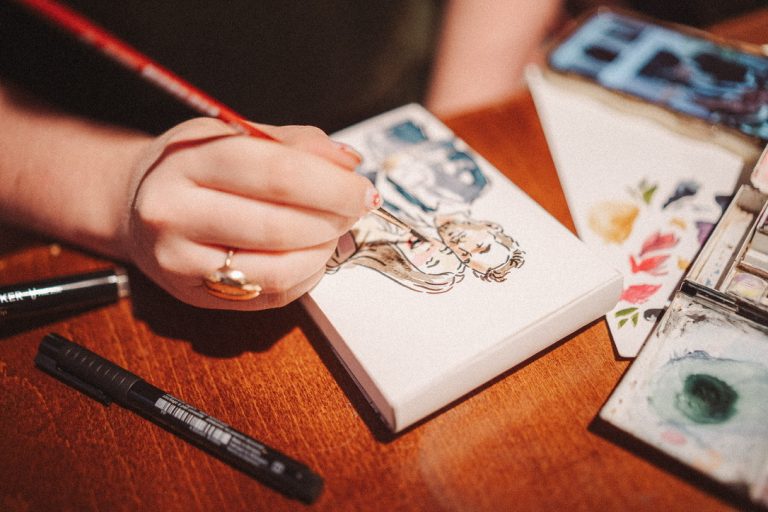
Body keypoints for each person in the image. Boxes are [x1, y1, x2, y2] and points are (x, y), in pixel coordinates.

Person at [0, 0, 561, 311]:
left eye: (471, 254)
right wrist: (118, 187)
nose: (456, 249)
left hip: (419, 92)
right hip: (114, 155)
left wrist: (456, 122)